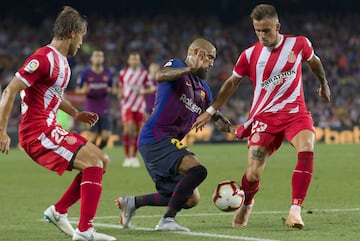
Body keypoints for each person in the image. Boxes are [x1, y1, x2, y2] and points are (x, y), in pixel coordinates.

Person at [193, 4, 331, 230]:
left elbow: (314, 61)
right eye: (257, 31)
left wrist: (324, 84)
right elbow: (232, 83)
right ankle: (247, 205)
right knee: (253, 173)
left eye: (266, 30)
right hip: (264, 119)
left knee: (307, 147)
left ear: (277, 26)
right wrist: (210, 112)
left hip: (295, 114)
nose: (262, 35)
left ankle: (295, 211)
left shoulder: (298, 44)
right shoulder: (249, 55)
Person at [0, 6, 116, 241]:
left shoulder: (62, 62)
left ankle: (59, 211)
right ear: (73, 33)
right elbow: (9, 90)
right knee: (93, 162)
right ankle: (85, 232)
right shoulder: (43, 58)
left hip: (51, 128)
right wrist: (1, 131)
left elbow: (52, 95)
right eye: (82, 36)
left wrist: (75, 113)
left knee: (102, 161)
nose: (82, 43)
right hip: (37, 133)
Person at [115, 38, 230, 232]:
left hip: (166, 142)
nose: (211, 64)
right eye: (209, 57)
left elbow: (211, 113)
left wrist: (221, 121)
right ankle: (167, 220)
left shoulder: (204, 89)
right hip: (156, 136)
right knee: (198, 171)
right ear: (196, 53)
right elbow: (161, 75)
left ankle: (132, 202)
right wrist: (189, 69)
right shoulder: (177, 66)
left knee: (191, 199)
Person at [118, 52, 155, 167]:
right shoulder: (123, 73)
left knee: (138, 131)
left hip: (139, 105)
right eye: (132, 59)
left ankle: (133, 157)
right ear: (129, 61)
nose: (134, 61)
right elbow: (120, 87)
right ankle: (127, 157)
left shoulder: (144, 74)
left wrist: (143, 91)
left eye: (136, 59)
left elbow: (151, 88)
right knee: (129, 129)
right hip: (127, 105)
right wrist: (120, 94)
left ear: (139, 61)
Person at [76, 50, 114, 149]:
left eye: (100, 56)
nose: (98, 58)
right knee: (93, 136)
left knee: (106, 136)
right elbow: (77, 90)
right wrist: (83, 90)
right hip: (91, 108)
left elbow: (113, 88)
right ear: (92, 59)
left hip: (104, 107)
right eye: (96, 56)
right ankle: (92, 154)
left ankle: (96, 151)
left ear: (103, 59)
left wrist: (112, 90)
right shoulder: (86, 73)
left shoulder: (107, 73)